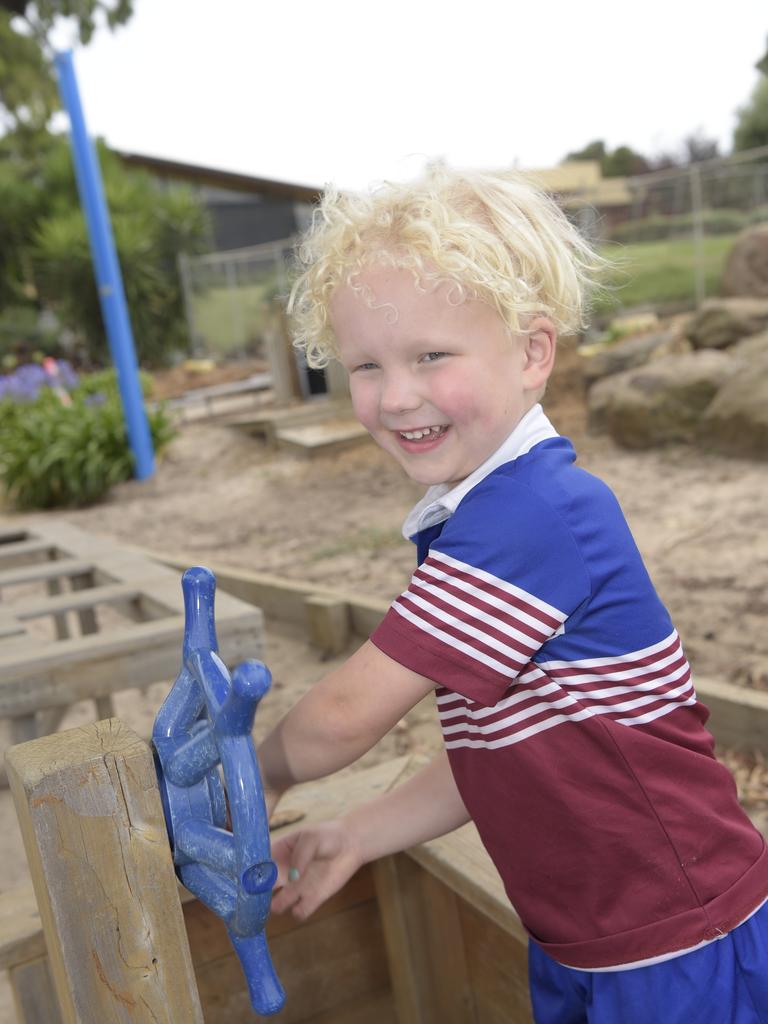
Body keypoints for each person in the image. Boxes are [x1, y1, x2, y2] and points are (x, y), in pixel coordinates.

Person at [257, 165, 768, 1023]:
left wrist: (260, 771)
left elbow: (349, 712)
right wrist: (358, 831)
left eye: (430, 356)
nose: (395, 397)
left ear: (533, 352)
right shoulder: (474, 520)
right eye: (365, 366)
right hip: (585, 938)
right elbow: (501, 754)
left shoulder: (535, 515)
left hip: (678, 940)